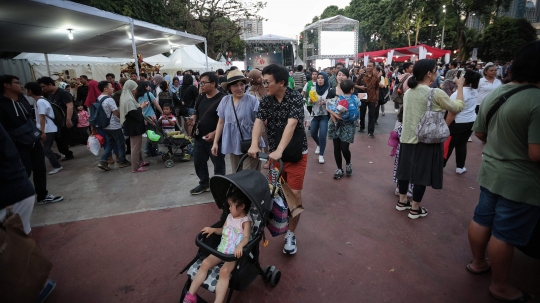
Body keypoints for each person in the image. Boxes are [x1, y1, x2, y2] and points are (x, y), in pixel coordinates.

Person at [467, 41, 540, 302]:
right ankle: (500, 286)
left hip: (490, 170)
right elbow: (536, 153)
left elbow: (479, 133)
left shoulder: (498, 93)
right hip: (520, 180)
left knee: (482, 218)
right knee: (504, 233)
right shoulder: (537, 101)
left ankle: (477, 263)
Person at [248, 64, 308, 255]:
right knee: (274, 193)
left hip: (296, 155)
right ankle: (267, 226)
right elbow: (258, 121)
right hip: (275, 157)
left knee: (295, 195)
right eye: (263, 82)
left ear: (281, 82)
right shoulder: (266, 101)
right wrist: (254, 144)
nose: (264, 85)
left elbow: (291, 124)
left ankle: (290, 233)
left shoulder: (295, 97)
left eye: (268, 82)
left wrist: (280, 149)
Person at [395, 59, 465, 219]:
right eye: (436, 70)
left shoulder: (408, 92)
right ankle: (415, 209)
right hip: (426, 140)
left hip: (406, 138)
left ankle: (402, 201)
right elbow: (457, 107)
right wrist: (460, 86)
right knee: (421, 174)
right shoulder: (435, 93)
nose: (437, 73)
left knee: (404, 172)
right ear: (429, 73)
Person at [0, 75, 63, 204]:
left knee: (40, 168)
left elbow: (30, 117)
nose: (21, 85)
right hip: (17, 144)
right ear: (6, 85)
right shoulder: (2, 104)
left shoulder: (22, 100)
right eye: (17, 83)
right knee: (24, 171)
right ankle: (17, 199)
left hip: (32, 139)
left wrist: (37, 134)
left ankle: (42, 195)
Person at [183, 189, 252, 303]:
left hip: (233, 254)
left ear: (241, 207)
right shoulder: (230, 216)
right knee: (205, 263)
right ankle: (191, 296)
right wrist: (213, 229)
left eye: (231, 205)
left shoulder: (245, 221)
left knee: (224, 271)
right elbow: (223, 230)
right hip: (221, 249)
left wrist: (240, 246)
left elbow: (246, 237)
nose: (229, 208)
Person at [212, 70, 261, 172]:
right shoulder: (225, 100)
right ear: (229, 87)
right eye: (235, 85)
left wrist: (256, 144)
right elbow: (221, 122)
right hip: (233, 143)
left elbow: (259, 122)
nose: (239, 88)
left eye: (242, 84)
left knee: (249, 175)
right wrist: (215, 142)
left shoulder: (252, 100)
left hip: (250, 143)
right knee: (237, 173)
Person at [186, 72, 226, 195]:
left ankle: (220, 186)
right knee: (198, 161)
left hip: (216, 139)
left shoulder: (223, 99)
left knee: (218, 163)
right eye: (200, 82)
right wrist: (193, 119)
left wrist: (214, 134)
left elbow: (226, 120)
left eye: (203, 83)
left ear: (213, 84)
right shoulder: (201, 97)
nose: (201, 85)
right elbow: (196, 112)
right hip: (199, 136)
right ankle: (204, 183)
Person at [445, 70, 481, 174]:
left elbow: (452, 113)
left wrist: (445, 125)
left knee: (449, 145)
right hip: (470, 121)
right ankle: (460, 167)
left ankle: (440, 165)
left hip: (457, 122)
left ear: (463, 79)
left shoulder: (458, 94)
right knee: (461, 144)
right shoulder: (474, 92)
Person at [24, 82, 63, 175]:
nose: (26, 91)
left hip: (47, 128)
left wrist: (42, 131)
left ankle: (57, 166)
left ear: (30, 90)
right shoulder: (39, 100)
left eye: (27, 89)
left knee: (45, 149)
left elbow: (42, 117)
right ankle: (56, 156)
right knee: (45, 148)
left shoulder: (40, 101)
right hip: (46, 127)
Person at [326, 73, 359, 179]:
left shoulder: (353, 96)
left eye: (343, 75)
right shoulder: (333, 93)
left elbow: (357, 109)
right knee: (336, 147)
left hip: (348, 125)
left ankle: (348, 163)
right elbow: (329, 107)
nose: (341, 77)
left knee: (344, 148)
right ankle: (339, 168)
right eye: (339, 75)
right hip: (336, 124)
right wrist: (336, 117)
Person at [37, 76, 75, 161]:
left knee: (75, 137)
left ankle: (96, 142)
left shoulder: (63, 93)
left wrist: (68, 119)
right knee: (60, 139)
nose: (43, 89)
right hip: (59, 121)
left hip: (67, 119)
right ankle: (67, 153)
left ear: (50, 84)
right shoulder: (50, 95)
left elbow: (70, 106)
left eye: (44, 86)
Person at [95, 81, 130, 171]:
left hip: (105, 125)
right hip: (114, 125)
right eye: (111, 87)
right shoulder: (109, 99)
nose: (113, 88)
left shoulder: (99, 98)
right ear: (105, 89)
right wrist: (123, 119)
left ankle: (103, 160)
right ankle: (122, 161)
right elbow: (116, 112)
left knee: (111, 143)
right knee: (121, 142)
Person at [120, 80, 149, 173]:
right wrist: (142, 106)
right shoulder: (128, 100)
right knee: (135, 147)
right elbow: (135, 114)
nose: (135, 91)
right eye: (134, 89)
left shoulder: (127, 98)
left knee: (136, 146)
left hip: (132, 126)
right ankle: (135, 167)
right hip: (134, 127)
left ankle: (139, 162)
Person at [306, 71, 330, 164]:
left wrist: (326, 102)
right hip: (315, 115)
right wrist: (311, 101)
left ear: (325, 79)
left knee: (323, 135)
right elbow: (309, 100)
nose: (320, 80)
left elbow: (332, 101)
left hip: (324, 116)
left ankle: (321, 155)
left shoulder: (329, 90)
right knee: (313, 134)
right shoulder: (313, 89)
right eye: (319, 78)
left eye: (322, 78)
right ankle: (319, 145)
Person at [136, 81, 162, 156]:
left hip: (143, 117)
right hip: (151, 117)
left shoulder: (137, 96)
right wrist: (162, 112)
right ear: (145, 87)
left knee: (149, 133)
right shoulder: (149, 94)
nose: (149, 87)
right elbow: (156, 104)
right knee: (155, 133)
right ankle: (154, 150)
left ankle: (148, 149)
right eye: (148, 86)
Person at [357, 62, 379, 138]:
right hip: (363, 96)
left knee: (372, 115)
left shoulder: (376, 77)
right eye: (368, 66)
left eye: (370, 66)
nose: (368, 67)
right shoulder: (362, 75)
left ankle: (371, 131)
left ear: (373, 67)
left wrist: (377, 99)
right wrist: (360, 87)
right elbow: (354, 84)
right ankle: (362, 127)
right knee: (362, 114)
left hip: (372, 98)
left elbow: (377, 89)